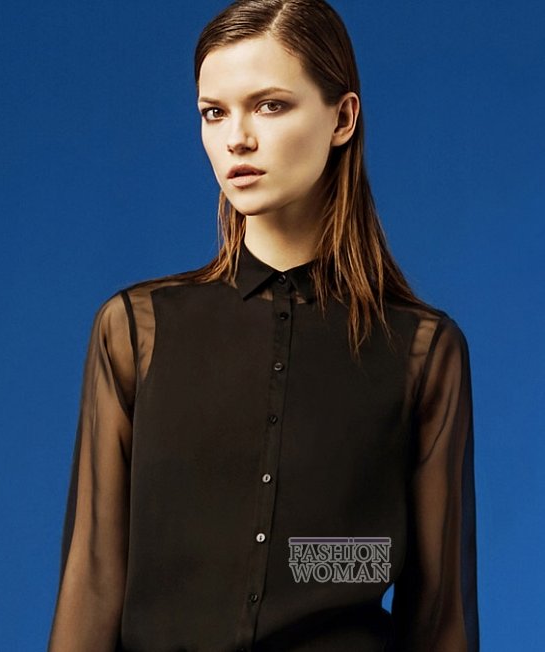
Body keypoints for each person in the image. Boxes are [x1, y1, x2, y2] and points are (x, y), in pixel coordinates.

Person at [47, 0, 480, 650]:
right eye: (214, 112)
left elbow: (441, 617)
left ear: (342, 118)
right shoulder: (136, 331)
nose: (236, 139)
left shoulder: (421, 351)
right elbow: (93, 582)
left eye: (270, 106)